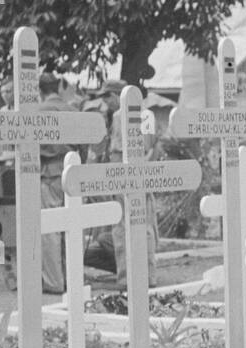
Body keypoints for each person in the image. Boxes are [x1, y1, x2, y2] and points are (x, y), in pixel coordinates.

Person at [84, 79, 157, 287]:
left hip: (128, 177)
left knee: (125, 228)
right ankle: (144, 275)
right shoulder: (147, 114)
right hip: (137, 176)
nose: (106, 103)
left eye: (107, 97)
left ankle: (128, 278)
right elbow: (150, 148)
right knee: (141, 227)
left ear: (117, 95)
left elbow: (133, 150)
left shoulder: (122, 116)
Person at [36, 72, 79, 293]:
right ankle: (73, 278)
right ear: (58, 88)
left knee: (50, 227)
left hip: (49, 170)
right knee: (72, 224)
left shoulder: (38, 111)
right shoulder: (72, 109)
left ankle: (54, 281)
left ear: (39, 91)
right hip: (73, 169)